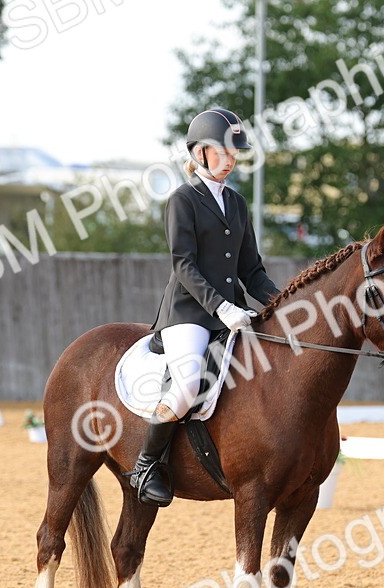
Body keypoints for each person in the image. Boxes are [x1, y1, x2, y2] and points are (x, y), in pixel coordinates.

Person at [127, 108, 281, 507]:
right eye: (223, 152)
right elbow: (184, 265)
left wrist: (283, 306)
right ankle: (146, 465)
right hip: (189, 313)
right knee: (186, 385)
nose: (230, 160)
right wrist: (222, 307)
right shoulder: (183, 200)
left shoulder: (237, 203)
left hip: (232, 313)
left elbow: (252, 270)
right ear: (199, 153)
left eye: (235, 154)